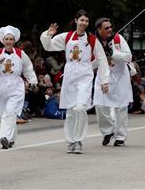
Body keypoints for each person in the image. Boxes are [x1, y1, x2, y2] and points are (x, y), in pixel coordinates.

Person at [40, 10, 110, 154]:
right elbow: (48, 46)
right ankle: (71, 141)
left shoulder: (92, 39)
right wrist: (48, 35)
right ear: (76, 20)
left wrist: (104, 80)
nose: (84, 23)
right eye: (82, 20)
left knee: (80, 108)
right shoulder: (66, 37)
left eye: (86, 21)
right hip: (70, 77)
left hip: (85, 76)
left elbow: (102, 59)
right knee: (71, 111)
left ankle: (79, 140)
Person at [0, 25, 37, 150]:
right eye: (6, 39)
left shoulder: (20, 53)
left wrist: (33, 81)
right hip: (1, 85)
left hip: (16, 86)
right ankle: (11, 138)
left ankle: (4, 138)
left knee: (10, 111)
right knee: (6, 113)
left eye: (11, 39)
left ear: (14, 41)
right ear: (3, 40)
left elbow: (28, 68)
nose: (8, 41)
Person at [93, 18, 133, 146]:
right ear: (99, 30)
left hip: (120, 76)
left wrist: (113, 53)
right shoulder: (93, 41)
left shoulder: (118, 39)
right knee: (99, 105)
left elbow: (128, 56)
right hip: (103, 76)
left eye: (110, 27)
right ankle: (108, 131)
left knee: (120, 107)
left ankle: (120, 136)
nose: (110, 29)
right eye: (106, 28)